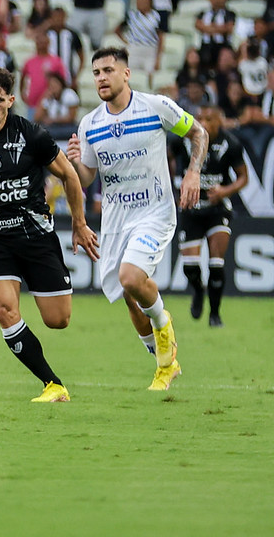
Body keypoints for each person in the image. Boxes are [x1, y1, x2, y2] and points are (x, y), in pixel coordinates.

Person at [0, 66, 98, 402]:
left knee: (58, 320)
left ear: (11, 100)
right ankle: (52, 384)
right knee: (3, 309)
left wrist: (80, 225)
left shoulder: (31, 135)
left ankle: (52, 379)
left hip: (35, 235)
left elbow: (69, 176)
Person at [67, 46, 208, 391]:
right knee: (127, 296)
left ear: (126, 74)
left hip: (154, 212)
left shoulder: (155, 106)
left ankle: (163, 323)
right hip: (116, 221)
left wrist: (193, 173)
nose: (101, 78)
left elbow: (199, 133)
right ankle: (164, 363)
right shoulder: (90, 124)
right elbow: (87, 177)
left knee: (131, 278)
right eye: (96, 72)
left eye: (108, 70)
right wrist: (74, 163)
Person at [169, 105, 248, 328]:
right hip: (190, 209)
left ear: (219, 121)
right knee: (191, 268)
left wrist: (224, 191)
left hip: (217, 209)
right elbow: (163, 159)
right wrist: (171, 189)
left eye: (209, 119)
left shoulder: (230, 144)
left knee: (216, 263)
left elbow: (243, 177)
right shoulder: (181, 141)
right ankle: (197, 291)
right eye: (200, 118)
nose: (203, 122)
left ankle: (215, 314)